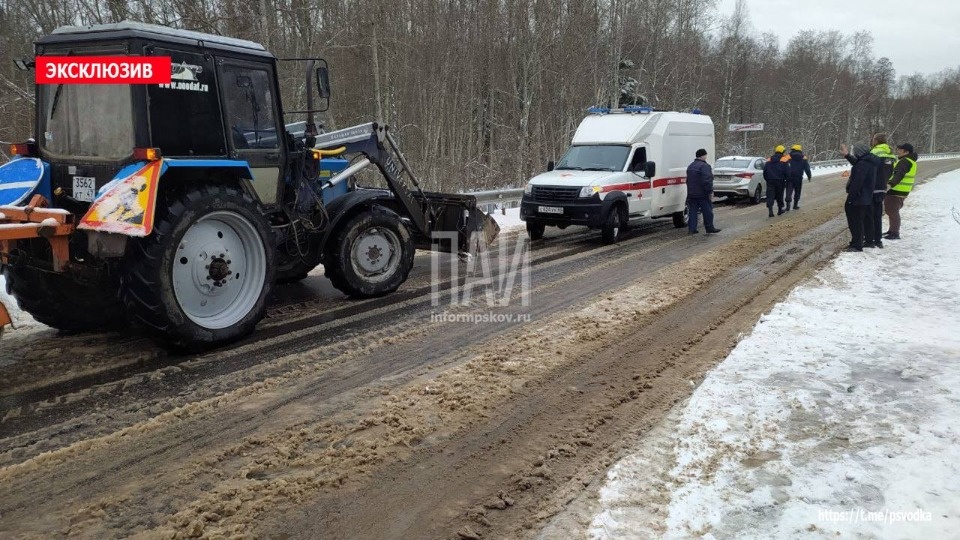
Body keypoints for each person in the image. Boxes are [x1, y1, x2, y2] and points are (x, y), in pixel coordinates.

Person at [842, 134, 895, 248]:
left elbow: (862, 165)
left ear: (876, 141)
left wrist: (852, 194)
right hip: (882, 187)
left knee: (867, 217)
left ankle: (868, 240)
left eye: (873, 139)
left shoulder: (875, 152)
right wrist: (847, 155)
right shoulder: (889, 153)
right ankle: (877, 240)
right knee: (876, 216)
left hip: (870, 189)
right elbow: (863, 163)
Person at [844, 144, 876, 252]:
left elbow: (857, 183)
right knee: (866, 220)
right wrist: (847, 155)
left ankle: (856, 245)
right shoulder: (870, 161)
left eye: (855, 152)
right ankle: (869, 240)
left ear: (859, 152)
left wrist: (850, 199)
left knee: (855, 221)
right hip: (867, 196)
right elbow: (858, 163)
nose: (854, 153)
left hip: (858, 198)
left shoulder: (862, 164)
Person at [884, 143, 918, 240]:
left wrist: (890, 184)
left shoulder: (905, 161)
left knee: (892, 211)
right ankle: (892, 230)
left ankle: (894, 233)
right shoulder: (910, 161)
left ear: (906, 152)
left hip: (897, 190)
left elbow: (899, 174)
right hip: (901, 190)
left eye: (900, 149)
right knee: (891, 210)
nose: (898, 151)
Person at [685, 148, 721, 234]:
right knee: (708, 211)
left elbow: (688, 180)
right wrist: (710, 192)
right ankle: (709, 228)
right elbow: (707, 181)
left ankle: (692, 229)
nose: (706, 157)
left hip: (691, 194)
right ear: (703, 156)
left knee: (692, 212)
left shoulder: (690, 166)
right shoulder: (704, 166)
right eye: (705, 155)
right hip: (702, 194)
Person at [763, 145, 790, 217]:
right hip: (780, 181)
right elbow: (787, 172)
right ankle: (780, 210)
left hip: (770, 181)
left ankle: (770, 211)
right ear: (783, 152)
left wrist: (768, 179)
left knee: (770, 195)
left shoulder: (769, 160)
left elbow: (765, 172)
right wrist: (787, 180)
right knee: (779, 195)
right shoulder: (784, 160)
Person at [785, 144, 812, 210]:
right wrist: (809, 176)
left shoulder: (787, 157)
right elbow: (807, 169)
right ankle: (795, 205)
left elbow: (783, 167)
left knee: (789, 191)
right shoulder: (803, 157)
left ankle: (788, 205)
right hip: (798, 177)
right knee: (797, 191)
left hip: (789, 177)